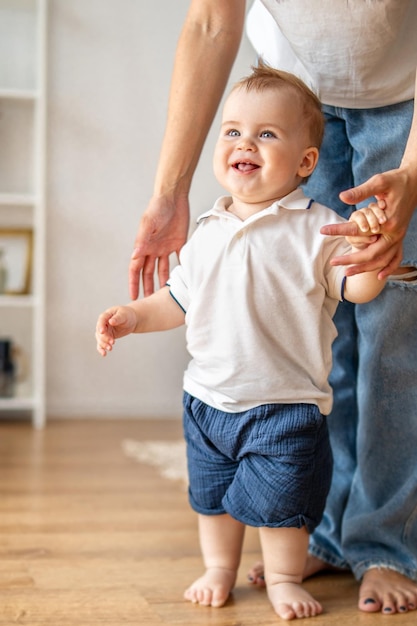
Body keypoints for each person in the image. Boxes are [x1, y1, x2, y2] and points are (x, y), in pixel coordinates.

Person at [128, 0, 417, 616]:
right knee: (235, 479)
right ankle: (325, 532)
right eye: (233, 133)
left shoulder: (312, 229)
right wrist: (167, 196)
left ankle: (386, 542)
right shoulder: (210, 226)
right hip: (296, 82)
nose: (242, 144)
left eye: (259, 136)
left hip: (404, 93)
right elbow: (210, 21)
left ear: (302, 164)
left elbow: (359, 288)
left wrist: (373, 261)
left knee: (398, 330)